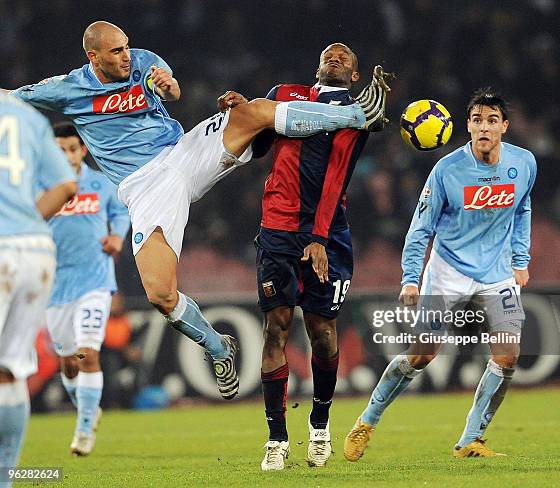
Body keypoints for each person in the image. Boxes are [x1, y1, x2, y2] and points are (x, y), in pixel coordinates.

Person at [3, 21, 390, 400]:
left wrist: (169, 87)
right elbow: (12, 98)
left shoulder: (141, 61)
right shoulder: (67, 89)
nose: (126, 56)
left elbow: (169, 89)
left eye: (126, 46)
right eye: (116, 51)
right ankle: (219, 347)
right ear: (94, 56)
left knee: (252, 111)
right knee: (159, 294)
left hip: (183, 154)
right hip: (145, 187)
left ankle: (355, 115)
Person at [344, 88, 537, 460]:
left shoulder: (524, 163)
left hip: (497, 274)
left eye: (492, 121)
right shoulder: (447, 170)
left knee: (509, 354)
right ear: (466, 126)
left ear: (505, 127)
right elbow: (420, 228)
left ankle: (471, 439)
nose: (484, 127)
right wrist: (411, 278)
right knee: (422, 355)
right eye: (477, 120)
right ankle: (366, 421)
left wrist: (521, 258)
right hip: (447, 272)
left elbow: (523, 208)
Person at [248, 43, 391, 471]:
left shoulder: (358, 113)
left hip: (327, 233)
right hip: (277, 227)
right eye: (330, 54)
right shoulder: (285, 93)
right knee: (276, 326)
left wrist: (320, 239)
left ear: (354, 75)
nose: (337, 58)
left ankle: (320, 426)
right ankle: (276, 439)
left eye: (346, 58)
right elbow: (257, 147)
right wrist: (244, 112)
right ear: (317, 65)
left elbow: (335, 179)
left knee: (322, 332)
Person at [0, 93, 77, 477]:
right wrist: (25, 223)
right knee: (10, 371)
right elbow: (66, 185)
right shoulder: (26, 115)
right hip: (36, 249)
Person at [45, 122, 130, 456]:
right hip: (55, 288)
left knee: (87, 354)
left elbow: (120, 211)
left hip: (94, 282)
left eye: (71, 148)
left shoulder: (100, 182)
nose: (66, 155)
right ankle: (88, 408)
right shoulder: (41, 186)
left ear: (82, 149)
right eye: (59, 150)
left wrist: (117, 236)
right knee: (68, 362)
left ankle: (83, 432)